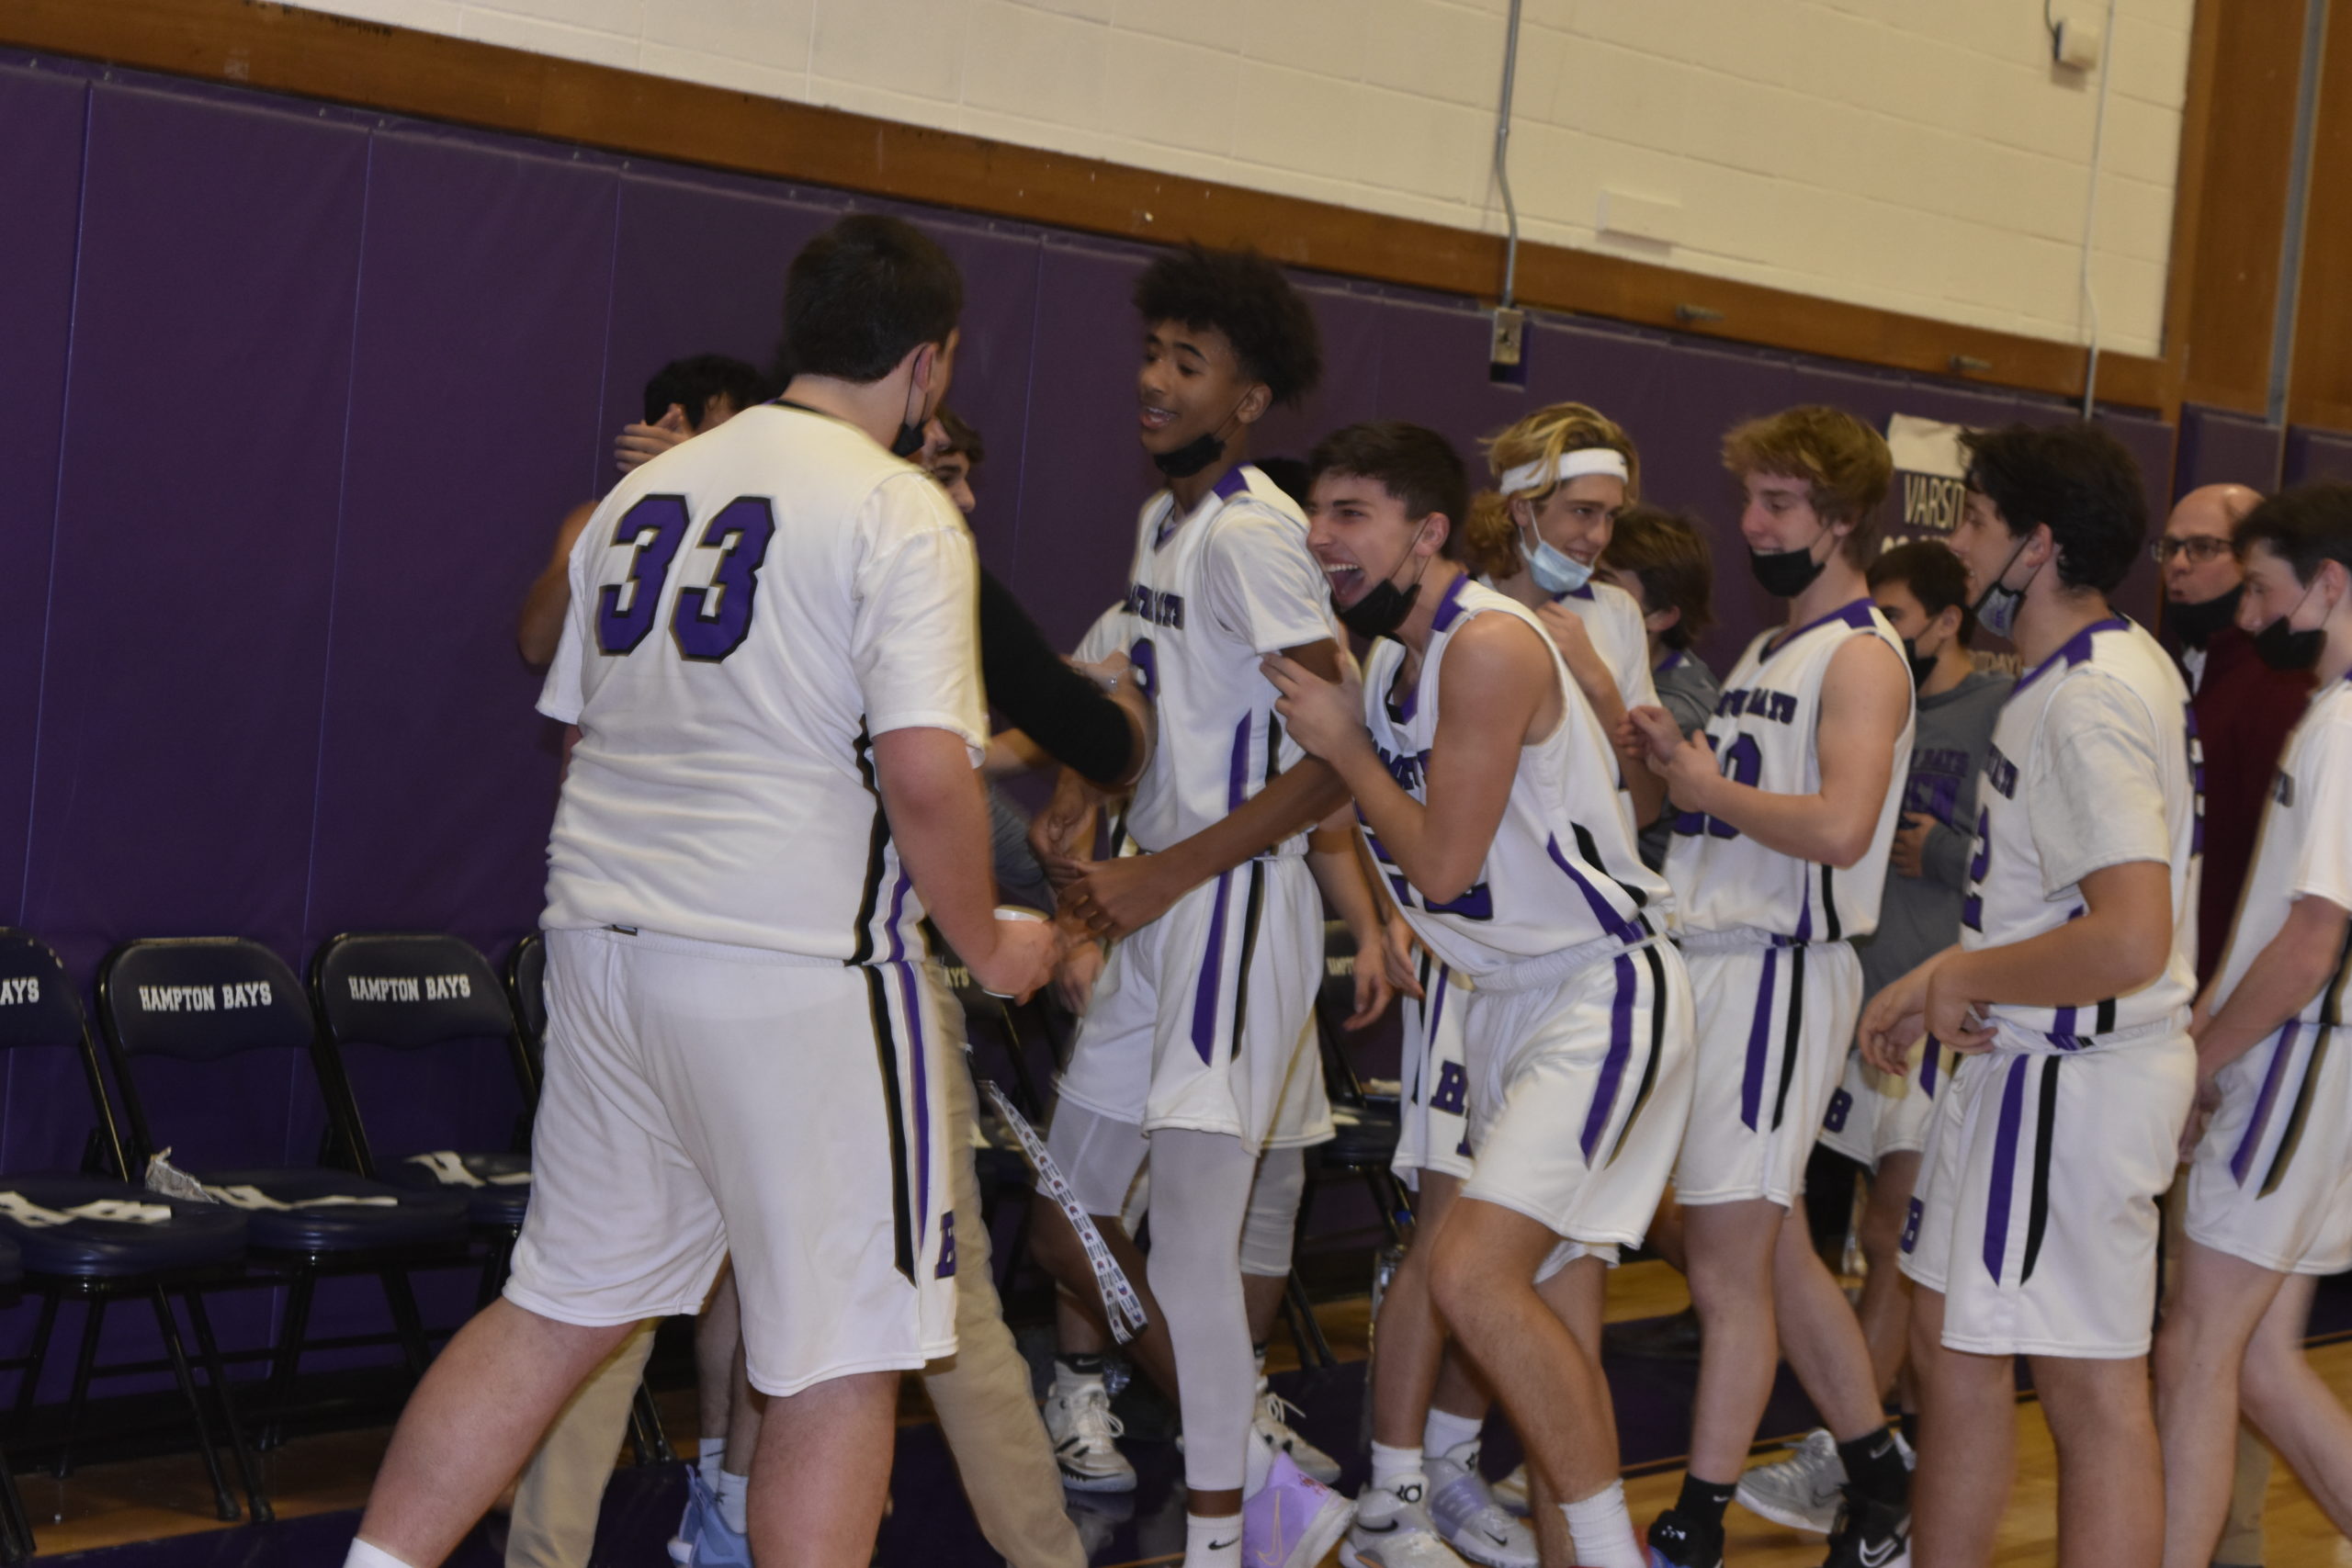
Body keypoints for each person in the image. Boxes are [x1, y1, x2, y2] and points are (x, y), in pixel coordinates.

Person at [340, 214, 1057, 1568]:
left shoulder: (644, 494)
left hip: (602, 951)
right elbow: (924, 769)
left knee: (557, 1304)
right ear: (932, 362)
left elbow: (578, 711)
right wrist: (990, 935)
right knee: (844, 1354)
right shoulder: (896, 503)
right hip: (794, 968)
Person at [1265, 420, 1694, 1568]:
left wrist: (1351, 755)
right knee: (1533, 1308)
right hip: (1500, 994)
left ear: (1428, 531)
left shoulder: (1488, 645)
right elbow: (1439, 863)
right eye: (1317, 513)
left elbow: (1445, 863)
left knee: (1464, 1270)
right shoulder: (1400, 660)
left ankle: (1534, 1530)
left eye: (1350, 514)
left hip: (1597, 992)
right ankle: (1511, 1520)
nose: (1321, 538)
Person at [1024, 243, 1355, 1568]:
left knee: (1198, 1247)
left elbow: (1333, 752)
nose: (1155, 382)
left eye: (1189, 362)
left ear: (1250, 394)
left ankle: (1230, 1530)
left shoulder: (1256, 531)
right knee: (1065, 1211)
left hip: (1229, 911)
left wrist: (1162, 868)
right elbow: (1162, 706)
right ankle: (1258, 1480)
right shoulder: (1165, 523)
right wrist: (1088, 800)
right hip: (1159, 907)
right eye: (1153, 353)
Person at [1860, 421, 2199, 1568]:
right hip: (2024, 1073)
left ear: (2037, 544)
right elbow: (2053, 919)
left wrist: (1955, 972)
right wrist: (1941, 976)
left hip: (2077, 1083)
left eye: (1975, 520)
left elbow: (2128, 937)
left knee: (2092, 1398)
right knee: (1951, 1354)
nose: (1957, 542)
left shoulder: (2087, 700)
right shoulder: (2094, 669)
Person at [1627, 405, 1916, 1568]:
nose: (1753, 523)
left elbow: (1844, 830)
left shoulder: (1859, 653)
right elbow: (1720, 807)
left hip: (1781, 974)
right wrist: (1664, 767)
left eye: (1779, 504)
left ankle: (1696, 1515)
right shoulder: (1765, 651)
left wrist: (1703, 782)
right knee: (1777, 1248)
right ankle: (1879, 1466)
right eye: (1749, 499)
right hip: (1721, 962)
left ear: (1841, 519)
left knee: (1724, 1262)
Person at [1735, 540, 2010, 1536]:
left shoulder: (2000, 712)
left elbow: (2043, 863)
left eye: (1900, 617)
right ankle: (1872, 1442)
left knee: (1895, 1231)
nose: (1883, 634)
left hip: (1948, 1001)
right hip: (1865, 992)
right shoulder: (1852, 689)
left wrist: (1937, 849)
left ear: (1947, 620)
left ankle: (1862, 1458)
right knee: (1820, 1231)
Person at [2156, 481, 2352, 1568]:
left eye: (2264, 589)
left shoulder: (2343, 725)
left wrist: (2198, 1058)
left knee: (2192, 1348)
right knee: (2259, 1360)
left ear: (2329, 584)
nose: (2244, 614)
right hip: (2316, 1063)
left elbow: (2311, 939)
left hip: (2301, 1059)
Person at [515, 354, 773, 668]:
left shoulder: (769, 524)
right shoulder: (596, 518)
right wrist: (616, 515)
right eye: (720, 439)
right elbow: (535, 646)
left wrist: (705, 482)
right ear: (666, 426)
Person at [2157, 483, 2315, 984]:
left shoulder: (2281, 684)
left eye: (2202, 548)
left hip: (2233, 987)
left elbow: (2279, 872)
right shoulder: (2168, 669)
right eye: (2170, 548)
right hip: (2166, 974)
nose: (2179, 564)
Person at [1599, 505, 1720, 873]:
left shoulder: (1678, 714)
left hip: (1661, 914)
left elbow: (1626, 816)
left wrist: (1596, 686)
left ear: (1662, 616)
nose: (1588, 597)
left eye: (1606, 586)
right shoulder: (1650, 672)